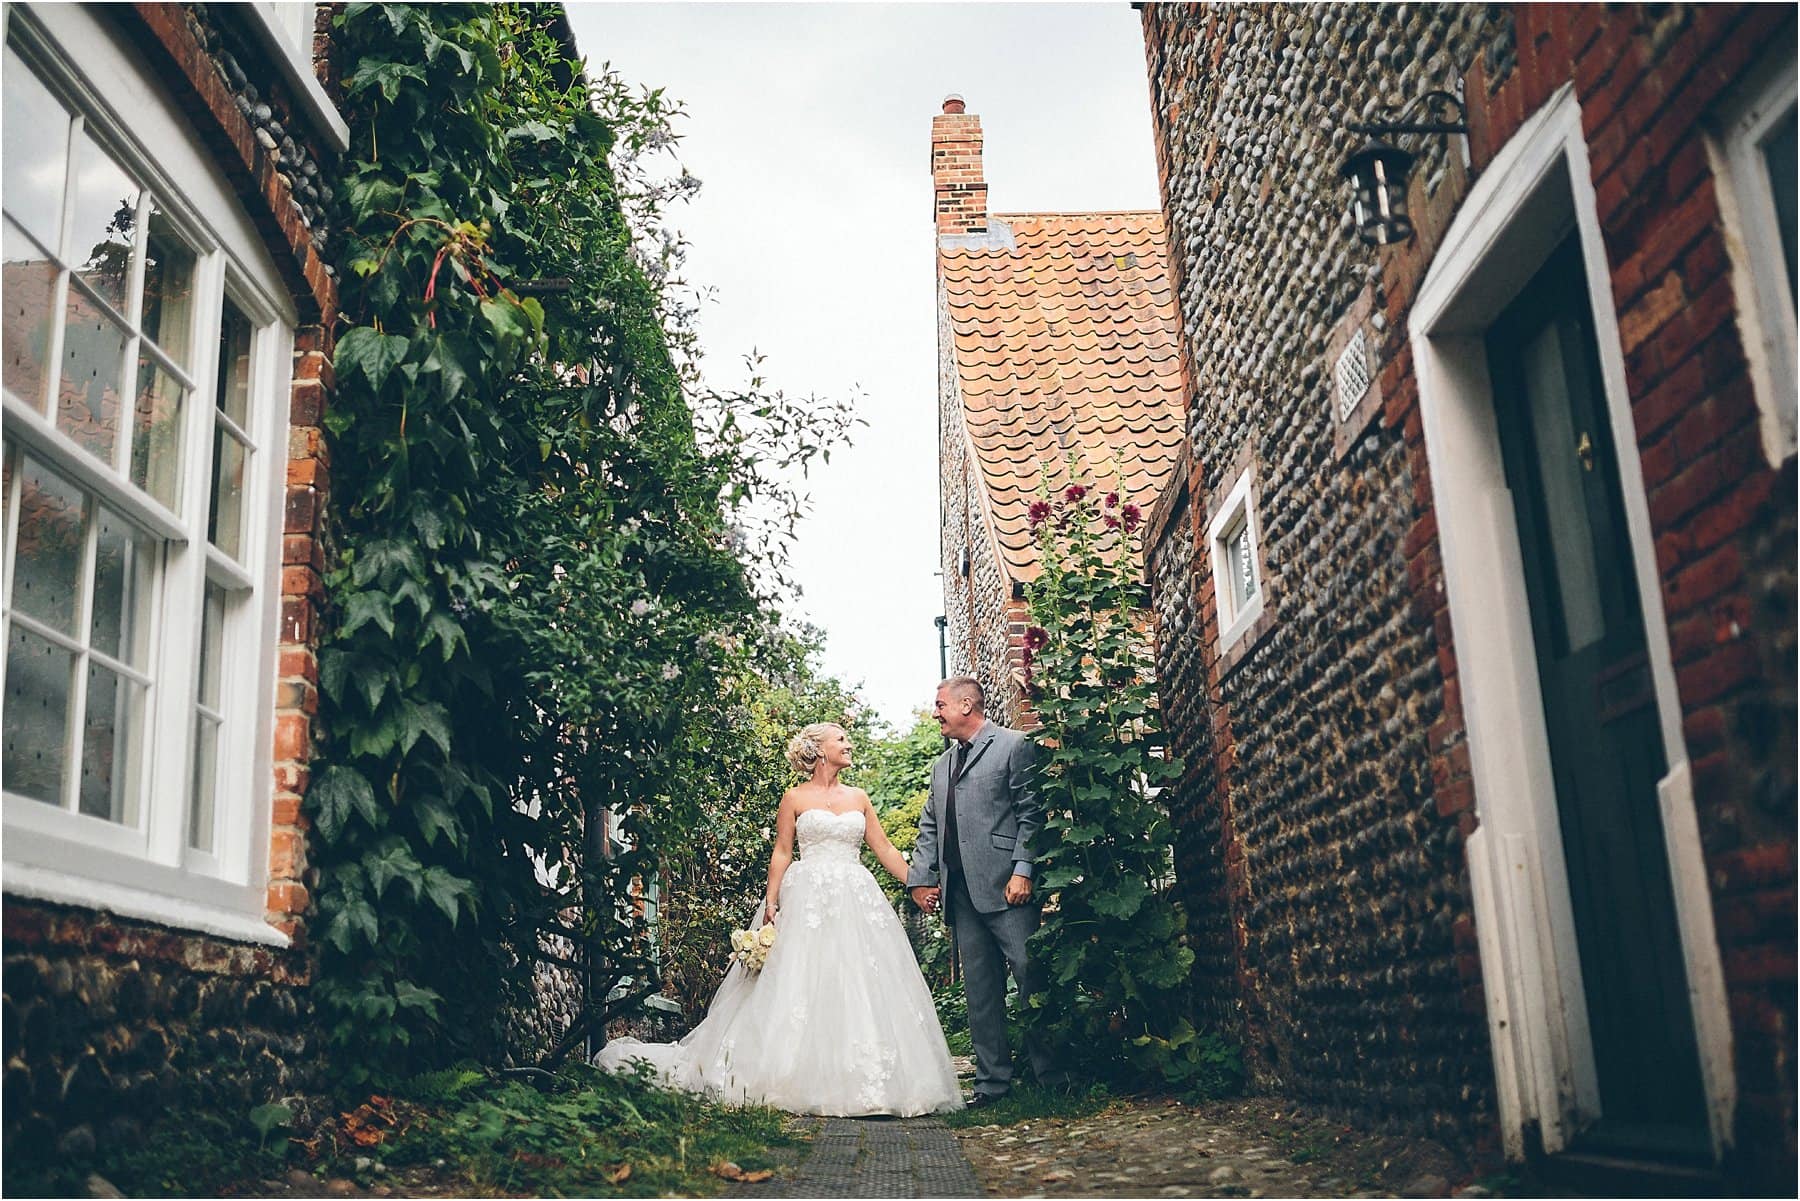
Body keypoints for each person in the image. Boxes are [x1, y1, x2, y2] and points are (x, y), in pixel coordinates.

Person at [595, 722, 963, 1117]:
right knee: (801, 981)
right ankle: (792, 1074)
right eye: (841, 739)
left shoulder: (859, 797)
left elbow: (885, 847)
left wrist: (918, 885)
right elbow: (783, 852)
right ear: (820, 750)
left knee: (857, 978)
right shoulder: (794, 798)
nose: (848, 745)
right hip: (807, 898)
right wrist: (771, 900)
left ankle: (866, 1081)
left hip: (856, 895)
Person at [908, 676, 1065, 1106]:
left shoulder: (1014, 746)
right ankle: (992, 1084)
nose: (935, 712)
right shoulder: (942, 767)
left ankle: (1050, 1076)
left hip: (1007, 887)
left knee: (1031, 975)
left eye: (939, 704)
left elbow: (1031, 815)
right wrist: (921, 879)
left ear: (965, 705)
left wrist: (1024, 870)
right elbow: (930, 828)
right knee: (980, 992)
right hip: (961, 895)